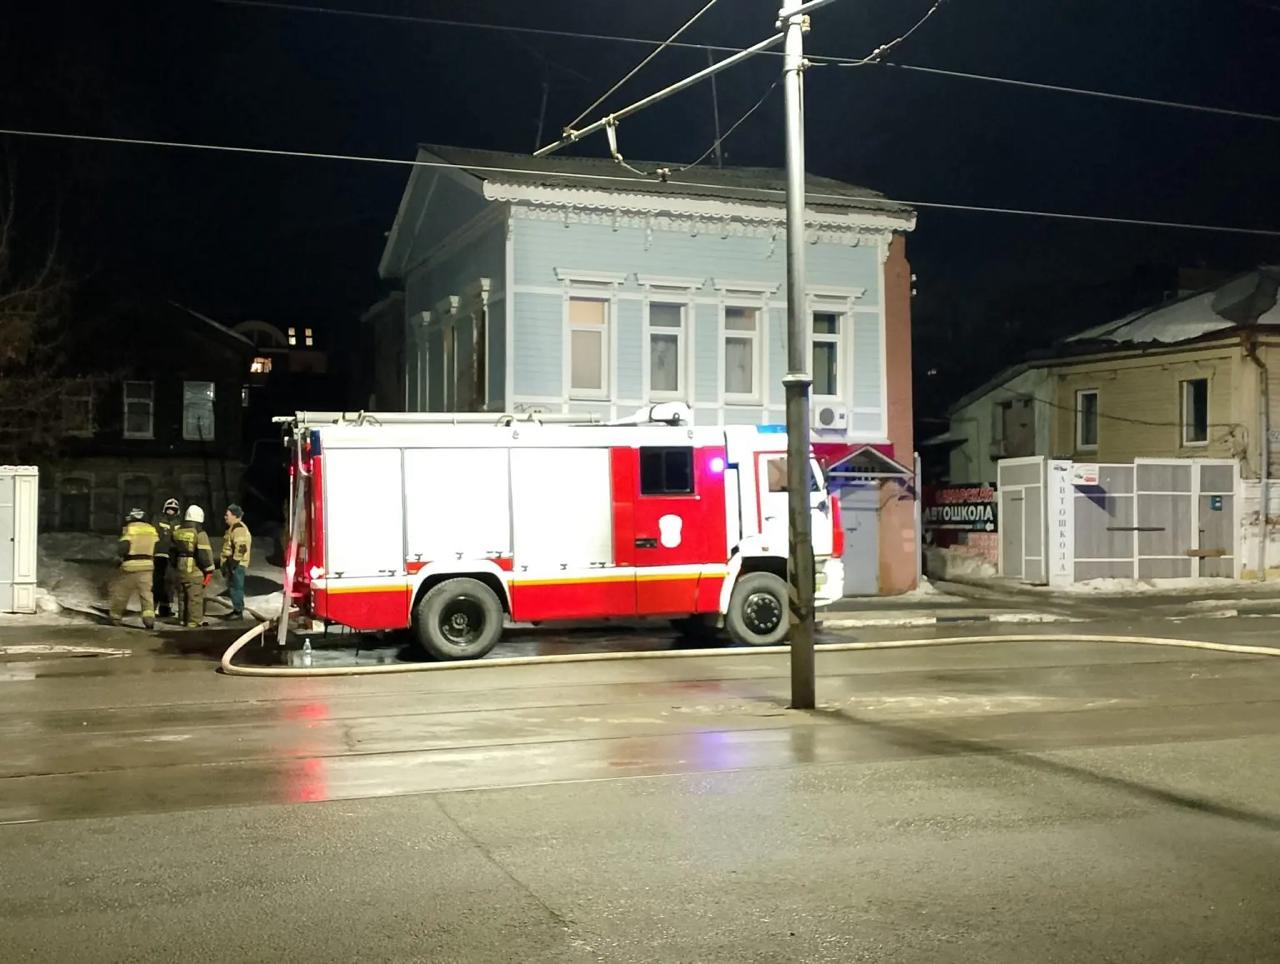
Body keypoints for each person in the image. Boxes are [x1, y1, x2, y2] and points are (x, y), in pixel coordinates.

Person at [109, 508, 158, 629]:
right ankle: (149, 619)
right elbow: (158, 546)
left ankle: (115, 617)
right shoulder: (151, 530)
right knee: (146, 595)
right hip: (147, 566)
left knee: (122, 593)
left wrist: (117, 558)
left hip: (130, 566)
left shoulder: (129, 529)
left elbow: (123, 547)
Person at [172, 505, 216, 628]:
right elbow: (204, 553)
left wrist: (175, 565)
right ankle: (193, 622)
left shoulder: (177, 532)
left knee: (182, 596)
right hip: (194, 570)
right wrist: (209, 568)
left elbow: (172, 551)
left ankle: (182, 619)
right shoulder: (200, 533)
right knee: (194, 597)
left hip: (180, 568)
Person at [220, 503, 253, 619]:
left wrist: (234, 562)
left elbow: (241, 547)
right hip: (234, 563)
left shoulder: (238, 529)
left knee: (236, 587)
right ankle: (237, 609)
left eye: (227, 515)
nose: (225, 517)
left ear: (234, 516)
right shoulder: (234, 528)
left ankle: (238, 612)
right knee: (234, 587)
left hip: (237, 564)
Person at [152, 498, 180, 618]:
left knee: (169, 583)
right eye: (169, 509)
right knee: (157, 582)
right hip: (159, 555)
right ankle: (152, 607)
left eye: (173, 509)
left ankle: (165, 608)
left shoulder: (179, 523)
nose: (171, 511)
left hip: (172, 557)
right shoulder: (158, 520)